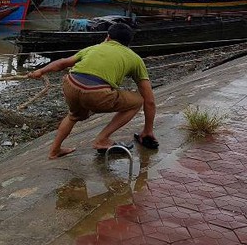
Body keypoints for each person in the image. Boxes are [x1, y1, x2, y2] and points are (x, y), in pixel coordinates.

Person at [28, 22, 157, 159]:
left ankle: (54, 151)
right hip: (97, 93)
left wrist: (40, 71)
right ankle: (102, 139)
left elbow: (62, 63)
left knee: (73, 115)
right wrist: (148, 130)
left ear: (107, 37)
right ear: (128, 43)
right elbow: (149, 101)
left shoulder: (93, 48)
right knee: (138, 101)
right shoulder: (135, 59)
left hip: (71, 86)